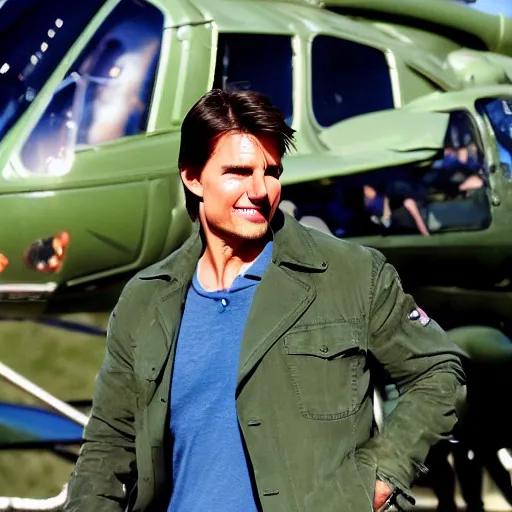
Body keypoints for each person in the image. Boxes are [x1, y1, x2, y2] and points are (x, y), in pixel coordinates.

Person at [64, 89, 466, 512]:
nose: (259, 189)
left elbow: (438, 372)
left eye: (270, 171)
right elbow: (107, 446)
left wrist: (381, 477)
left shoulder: (352, 275)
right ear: (193, 177)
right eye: (238, 171)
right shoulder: (145, 300)